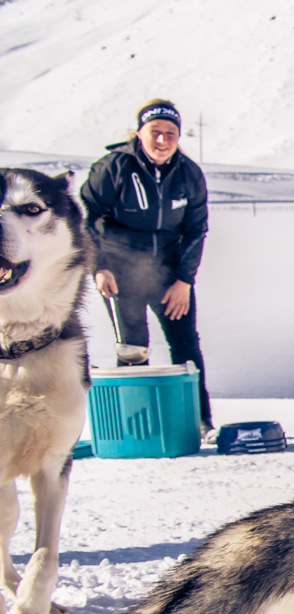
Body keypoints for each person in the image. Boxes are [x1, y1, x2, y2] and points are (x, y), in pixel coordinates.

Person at [80, 99, 214, 433]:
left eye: (170, 133)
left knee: (185, 347)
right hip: (120, 272)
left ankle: (198, 421)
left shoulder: (189, 173)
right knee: (133, 348)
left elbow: (195, 230)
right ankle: (136, 426)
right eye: (155, 131)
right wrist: (99, 266)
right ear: (140, 132)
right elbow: (88, 217)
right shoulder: (113, 167)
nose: (162, 140)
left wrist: (184, 280)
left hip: (169, 275)